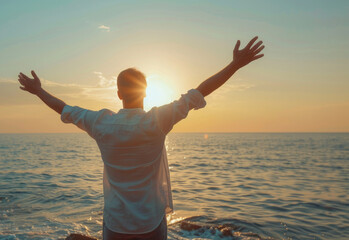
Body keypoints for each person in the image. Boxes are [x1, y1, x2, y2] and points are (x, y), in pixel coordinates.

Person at [18, 36, 264, 240]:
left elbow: (63, 108)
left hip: (116, 224)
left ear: (118, 93)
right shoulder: (157, 121)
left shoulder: (101, 123)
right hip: (151, 223)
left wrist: (38, 90)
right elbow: (199, 91)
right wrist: (234, 65)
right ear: (146, 91)